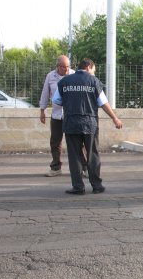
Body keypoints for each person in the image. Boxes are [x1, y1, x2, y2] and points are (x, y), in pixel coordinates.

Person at [52, 58, 123, 195]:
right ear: (89, 67)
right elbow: (103, 103)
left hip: (71, 123)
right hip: (90, 124)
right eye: (94, 70)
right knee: (93, 155)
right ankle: (97, 186)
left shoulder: (64, 82)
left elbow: (56, 101)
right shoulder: (93, 81)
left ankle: (78, 187)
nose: (94, 73)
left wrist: (71, 102)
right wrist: (114, 118)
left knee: (75, 156)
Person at [39, 55, 87, 178]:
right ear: (57, 66)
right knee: (55, 142)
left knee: (78, 142)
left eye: (68, 67)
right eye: (63, 67)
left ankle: (84, 167)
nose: (66, 70)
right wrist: (42, 111)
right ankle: (56, 168)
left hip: (72, 114)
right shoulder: (50, 76)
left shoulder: (74, 75)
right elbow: (45, 93)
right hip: (56, 115)